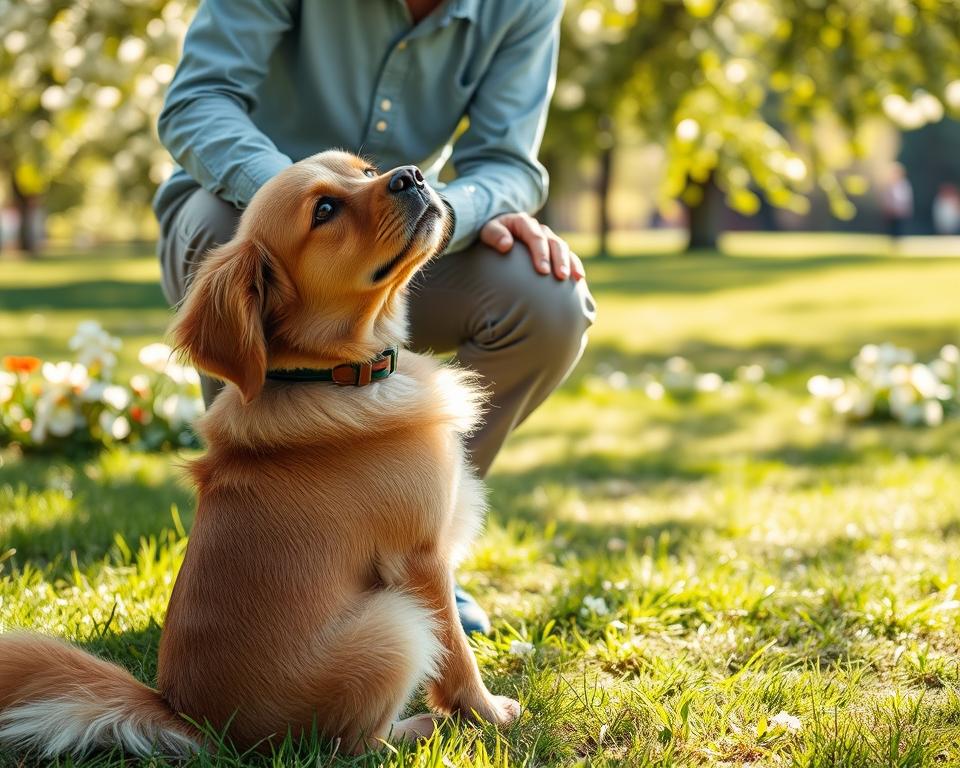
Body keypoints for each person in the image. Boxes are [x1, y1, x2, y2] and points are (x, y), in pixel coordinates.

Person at [153, 0, 596, 635]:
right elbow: (199, 101)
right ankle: (252, 567)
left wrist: (441, 213)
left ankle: (415, 549)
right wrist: (295, 206)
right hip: (239, 216)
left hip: (400, 243)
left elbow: (508, 163)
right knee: (224, 235)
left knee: (548, 298)